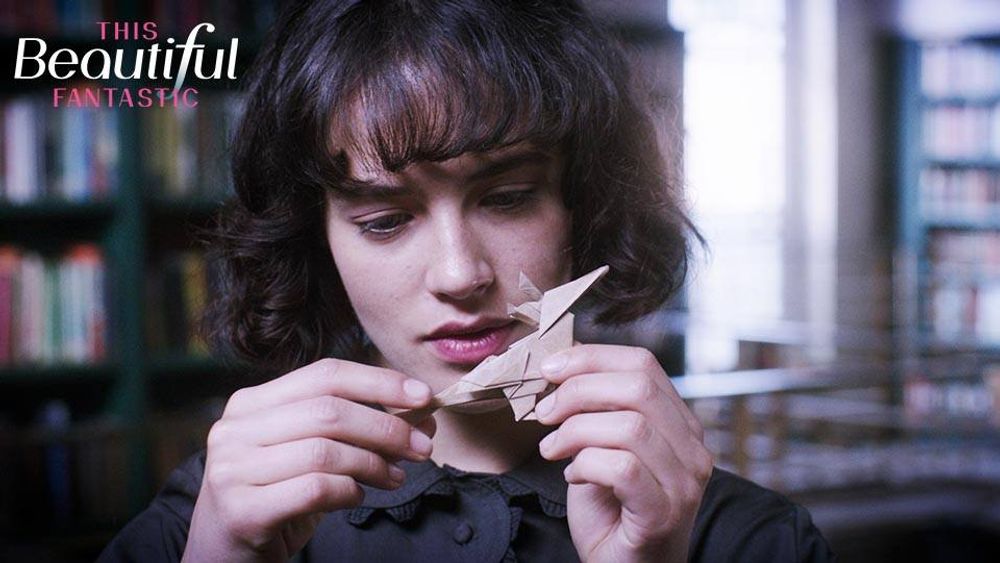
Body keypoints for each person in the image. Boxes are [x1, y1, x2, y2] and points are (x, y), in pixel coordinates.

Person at [99, 1, 835, 561]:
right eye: (385, 220)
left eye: (507, 198)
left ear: (582, 202)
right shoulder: (213, 517)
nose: (460, 274)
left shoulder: (753, 539)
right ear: (316, 239)